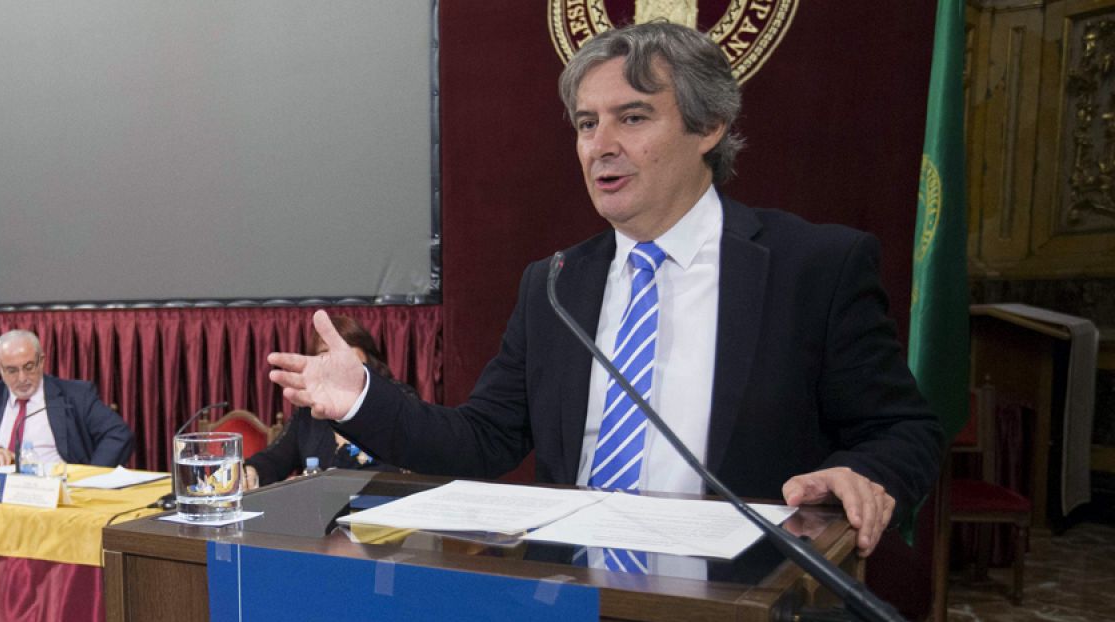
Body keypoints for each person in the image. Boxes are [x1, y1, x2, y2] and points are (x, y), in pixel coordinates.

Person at [269, 22, 941, 559]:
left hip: (752, 618)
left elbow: (901, 430)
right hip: (572, 617)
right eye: (588, 125)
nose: (601, 146)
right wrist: (357, 396)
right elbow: (481, 440)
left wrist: (863, 475)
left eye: (633, 118)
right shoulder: (556, 283)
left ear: (708, 128)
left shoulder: (812, 266)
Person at [246, 316, 410, 489]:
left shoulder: (396, 396)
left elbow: (399, 469)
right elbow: (275, 458)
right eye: (325, 353)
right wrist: (251, 472)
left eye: (345, 348)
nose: (336, 359)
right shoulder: (310, 410)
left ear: (366, 355)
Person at [0, 329, 134, 468]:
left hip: (55, 491)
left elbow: (118, 434)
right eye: (12, 370)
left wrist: (92, 477)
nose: (22, 378)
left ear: (41, 361)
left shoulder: (76, 396)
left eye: (29, 367)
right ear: (0, 368)